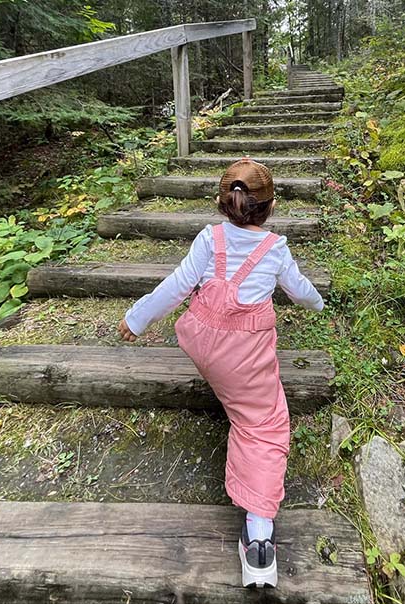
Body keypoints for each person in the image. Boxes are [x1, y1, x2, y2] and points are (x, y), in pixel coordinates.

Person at [117, 158, 324, 588]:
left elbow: (176, 285)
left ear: (221, 203)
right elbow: (300, 289)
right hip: (240, 355)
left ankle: (226, 387)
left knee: (236, 385)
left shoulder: (209, 239)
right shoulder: (275, 248)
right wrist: (318, 303)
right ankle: (259, 538)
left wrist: (135, 319)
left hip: (201, 342)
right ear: (268, 208)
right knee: (264, 422)